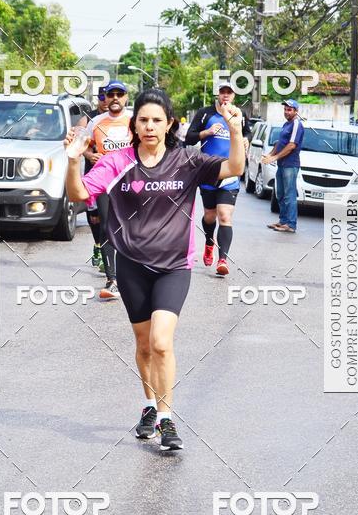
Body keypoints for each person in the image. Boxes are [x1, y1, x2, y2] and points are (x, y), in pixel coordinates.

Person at [65, 88, 245, 452]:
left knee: (162, 342)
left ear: (169, 124)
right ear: (135, 125)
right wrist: (71, 161)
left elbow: (234, 168)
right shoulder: (118, 162)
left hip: (174, 265)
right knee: (145, 345)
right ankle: (149, 405)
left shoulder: (187, 161)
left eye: (156, 120)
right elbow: (78, 195)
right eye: (143, 120)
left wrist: (236, 131)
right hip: (131, 264)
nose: (149, 126)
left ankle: (166, 416)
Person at [185, 83, 252, 275]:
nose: (225, 96)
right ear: (218, 95)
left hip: (230, 172)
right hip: (209, 171)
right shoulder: (205, 114)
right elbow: (188, 139)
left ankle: (223, 260)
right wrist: (206, 133)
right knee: (210, 216)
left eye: (229, 93)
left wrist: (246, 137)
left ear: (234, 96)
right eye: (222, 92)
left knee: (225, 215)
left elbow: (247, 131)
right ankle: (208, 242)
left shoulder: (239, 115)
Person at [84, 81, 133, 300]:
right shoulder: (96, 121)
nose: (114, 97)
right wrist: (89, 155)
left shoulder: (134, 120)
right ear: (105, 97)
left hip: (130, 180)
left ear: (125, 98)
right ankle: (112, 280)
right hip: (104, 180)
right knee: (106, 225)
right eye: (110, 94)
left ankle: (134, 274)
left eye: (119, 94)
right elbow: (82, 143)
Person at [262, 99, 305, 233]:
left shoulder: (297, 124)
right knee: (280, 193)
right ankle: (283, 221)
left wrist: (274, 157)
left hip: (290, 165)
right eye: (285, 109)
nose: (286, 112)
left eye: (289, 110)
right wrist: (270, 155)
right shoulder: (287, 124)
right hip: (282, 165)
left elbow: (292, 145)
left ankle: (291, 224)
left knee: (289, 194)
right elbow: (280, 143)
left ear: (296, 111)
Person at [84, 87, 108, 274]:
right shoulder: (89, 118)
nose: (106, 100)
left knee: (107, 216)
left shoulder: (121, 120)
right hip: (93, 173)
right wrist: (89, 155)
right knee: (94, 216)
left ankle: (106, 252)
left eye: (109, 96)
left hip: (113, 177)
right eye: (102, 97)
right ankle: (98, 244)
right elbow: (80, 143)